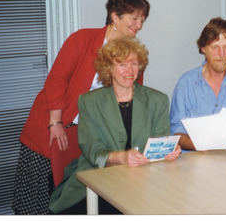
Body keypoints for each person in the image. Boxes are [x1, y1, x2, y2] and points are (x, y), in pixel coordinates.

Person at [12, 0, 150, 214]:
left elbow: (133, 95)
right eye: (134, 18)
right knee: (37, 201)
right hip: (49, 125)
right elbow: (56, 80)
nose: (139, 25)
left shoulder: (131, 54)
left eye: (142, 20)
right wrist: (55, 123)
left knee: (74, 194)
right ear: (115, 16)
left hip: (85, 134)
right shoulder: (83, 39)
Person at [49, 38, 181, 214]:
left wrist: (168, 151)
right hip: (98, 179)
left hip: (145, 180)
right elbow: (92, 148)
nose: (129, 71)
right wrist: (121, 157)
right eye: (122, 65)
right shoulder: (90, 101)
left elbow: (159, 141)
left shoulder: (158, 100)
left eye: (134, 64)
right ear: (109, 68)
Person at [170, 17, 226, 157]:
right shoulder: (186, 83)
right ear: (203, 49)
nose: (221, 54)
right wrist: (198, 144)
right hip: (196, 160)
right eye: (215, 47)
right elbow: (177, 131)